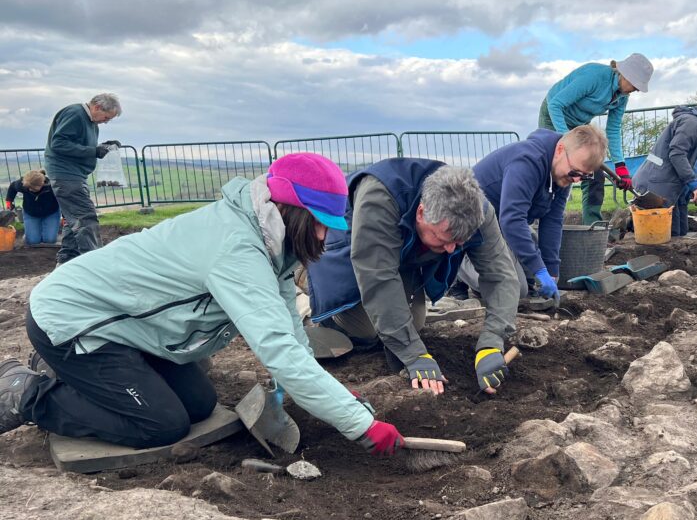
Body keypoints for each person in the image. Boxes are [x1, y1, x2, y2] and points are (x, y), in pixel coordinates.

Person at [0, 153, 404, 457]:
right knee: (161, 425)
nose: (321, 236)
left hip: (125, 330)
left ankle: (66, 371)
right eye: (318, 222)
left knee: (199, 405)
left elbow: (288, 328)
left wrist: (331, 393)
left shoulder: (270, 242)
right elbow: (277, 350)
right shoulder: (237, 250)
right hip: (72, 320)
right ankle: (24, 391)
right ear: (291, 210)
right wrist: (362, 426)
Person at [305, 159, 519, 397]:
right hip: (342, 248)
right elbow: (378, 276)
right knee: (366, 332)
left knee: (413, 323)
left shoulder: (477, 211)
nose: (451, 250)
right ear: (421, 212)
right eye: (443, 238)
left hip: (402, 253)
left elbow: (502, 276)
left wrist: (492, 342)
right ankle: (309, 300)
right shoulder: (380, 197)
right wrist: (413, 354)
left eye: (459, 243)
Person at [461, 125, 608, 303]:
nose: (576, 180)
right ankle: (460, 266)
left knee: (530, 275)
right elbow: (513, 220)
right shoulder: (527, 161)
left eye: (584, 176)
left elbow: (552, 220)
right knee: (514, 288)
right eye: (575, 172)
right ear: (560, 150)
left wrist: (551, 271)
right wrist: (539, 269)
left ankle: (490, 271)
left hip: (499, 224)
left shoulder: (561, 174)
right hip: (470, 224)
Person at [539, 53, 654, 224]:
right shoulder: (594, 77)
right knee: (555, 169)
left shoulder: (622, 97)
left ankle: (591, 228)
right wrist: (566, 139)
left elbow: (613, 129)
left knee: (594, 172)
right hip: (554, 117)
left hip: (579, 124)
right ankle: (543, 220)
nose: (636, 89)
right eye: (635, 84)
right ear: (625, 74)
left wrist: (621, 168)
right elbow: (555, 104)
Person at [632, 97, 697, 238]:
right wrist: (695, 185)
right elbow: (677, 154)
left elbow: (689, 161)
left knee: (681, 231)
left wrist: (690, 188)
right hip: (658, 186)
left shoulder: (696, 124)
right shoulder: (692, 123)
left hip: (670, 186)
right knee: (670, 234)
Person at [44, 93, 123, 265]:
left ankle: (66, 261)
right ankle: (96, 264)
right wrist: (93, 151)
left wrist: (102, 147)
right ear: (97, 107)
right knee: (86, 217)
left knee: (73, 220)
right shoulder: (75, 114)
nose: (106, 121)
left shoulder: (90, 121)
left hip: (74, 174)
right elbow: (59, 143)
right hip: (65, 174)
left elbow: (77, 144)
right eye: (106, 117)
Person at [5, 169, 61, 246]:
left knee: (49, 240)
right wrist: (9, 201)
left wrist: (65, 217)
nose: (30, 189)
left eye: (32, 188)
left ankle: (47, 233)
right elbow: (12, 187)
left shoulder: (52, 186)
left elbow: (64, 200)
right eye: (28, 188)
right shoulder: (23, 184)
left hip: (51, 212)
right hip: (31, 212)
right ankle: (31, 234)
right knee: (32, 241)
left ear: (41, 184)